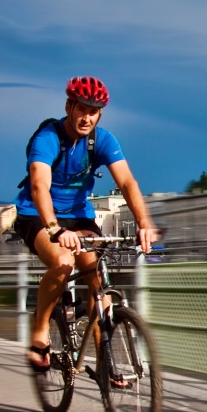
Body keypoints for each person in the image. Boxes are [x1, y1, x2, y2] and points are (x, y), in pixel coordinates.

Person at [13, 76, 158, 374]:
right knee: (63, 262)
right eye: (82, 108)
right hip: (39, 214)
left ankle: (106, 363)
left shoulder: (103, 140)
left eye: (94, 111)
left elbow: (127, 182)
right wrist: (54, 228)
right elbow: (40, 186)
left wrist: (144, 222)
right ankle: (40, 332)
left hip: (79, 216)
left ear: (100, 114)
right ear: (69, 106)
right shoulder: (48, 138)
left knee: (97, 279)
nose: (87, 116)